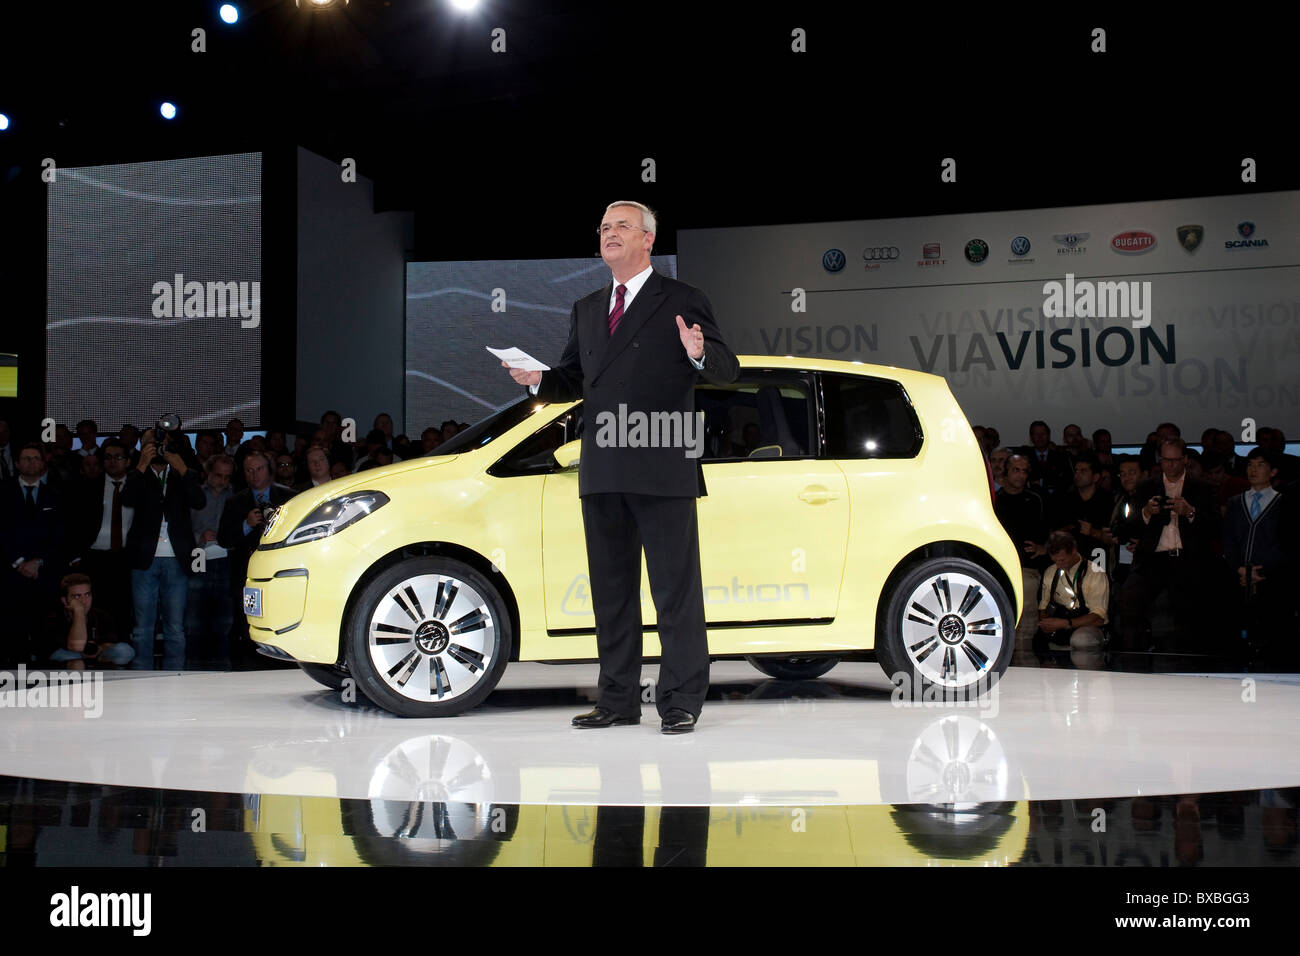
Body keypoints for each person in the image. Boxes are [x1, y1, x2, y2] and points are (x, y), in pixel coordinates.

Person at [504, 200, 738, 733]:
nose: (610, 234)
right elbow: (573, 380)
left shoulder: (682, 299)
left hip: (663, 461)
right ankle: (617, 699)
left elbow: (727, 369)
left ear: (648, 240)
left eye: (622, 226)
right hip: (604, 466)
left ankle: (679, 700)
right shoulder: (587, 307)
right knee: (611, 591)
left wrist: (698, 353)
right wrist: (538, 380)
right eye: (605, 227)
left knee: (674, 591)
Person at [1119, 437, 1221, 654]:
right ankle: (1133, 661)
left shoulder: (1202, 488)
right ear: (1160, 460)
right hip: (1153, 558)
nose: (1171, 465)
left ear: (1185, 459)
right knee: (1130, 597)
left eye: (1175, 460)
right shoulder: (1146, 487)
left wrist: (1190, 512)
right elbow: (1128, 528)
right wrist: (1146, 512)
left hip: (1188, 558)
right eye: (1166, 460)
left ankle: (1191, 661)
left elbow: (1216, 527)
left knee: (1191, 607)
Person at [121, 429, 206, 669]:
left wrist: (182, 468)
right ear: (142, 445)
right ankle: (141, 676)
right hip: (144, 557)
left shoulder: (181, 473)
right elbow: (127, 499)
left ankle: (174, 677)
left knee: (175, 627)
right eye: (151, 443)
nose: (157, 447)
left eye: (162, 443)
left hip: (176, 557)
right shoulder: (138, 473)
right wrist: (141, 464)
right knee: (143, 626)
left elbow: (199, 501)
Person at [219, 449, 296, 666]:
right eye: (249, 470)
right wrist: (246, 525)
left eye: (259, 469)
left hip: (282, 574)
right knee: (245, 628)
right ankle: (246, 669)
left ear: (269, 470)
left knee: (282, 622)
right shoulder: (235, 502)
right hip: (245, 575)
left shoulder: (289, 497)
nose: (254, 475)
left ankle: (284, 666)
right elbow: (224, 539)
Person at [1222, 448, 1287, 662]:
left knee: (1271, 631)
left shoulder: (1284, 503)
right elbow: (1228, 540)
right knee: (1236, 630)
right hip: (1237, 575)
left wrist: (1261, 570)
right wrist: (1239, 567)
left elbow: (1285, 543)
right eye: (1250, 464)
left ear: (1273, 471)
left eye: (1260, 465)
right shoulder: (1235, 502)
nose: (1253, 469)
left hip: (1271, 576)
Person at [1033, 531, 1109, 657]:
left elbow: (1099, 616)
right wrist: (1046, 622)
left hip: (1089, 627)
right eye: (1054, 560)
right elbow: (1044, 606)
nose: (1058, 564)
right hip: (1060, 625)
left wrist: (1066, 623)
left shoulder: (1095, 573)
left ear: (1073, 551)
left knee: (1081, 640)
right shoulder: (1051, 571)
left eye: (1062, 560)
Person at [45, 573, 135, 667]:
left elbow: (111, 641)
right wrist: (79, 612)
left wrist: (99, 648)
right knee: (65, 655)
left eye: (87, 595)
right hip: (70, 657)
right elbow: (76, 647)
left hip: (97, 655)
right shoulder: (54, 618)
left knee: (125, 650)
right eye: (77, 596)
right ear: (64, 600)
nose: (84, 601)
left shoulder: (100, 615)